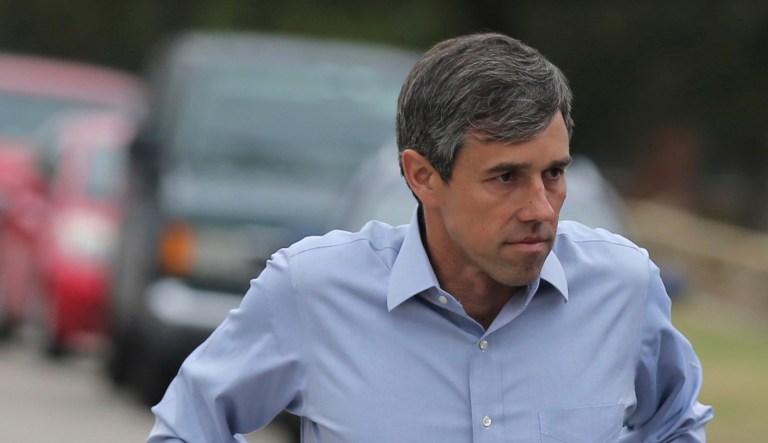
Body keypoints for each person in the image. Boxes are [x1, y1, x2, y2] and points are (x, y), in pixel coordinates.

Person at [148, 32, 713, 442]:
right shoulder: (311, 291)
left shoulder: (623, 287)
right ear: (423, 176)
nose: (541, 208)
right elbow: (187, 428)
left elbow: (676, 424)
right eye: (506, 177)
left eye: (554, 173)